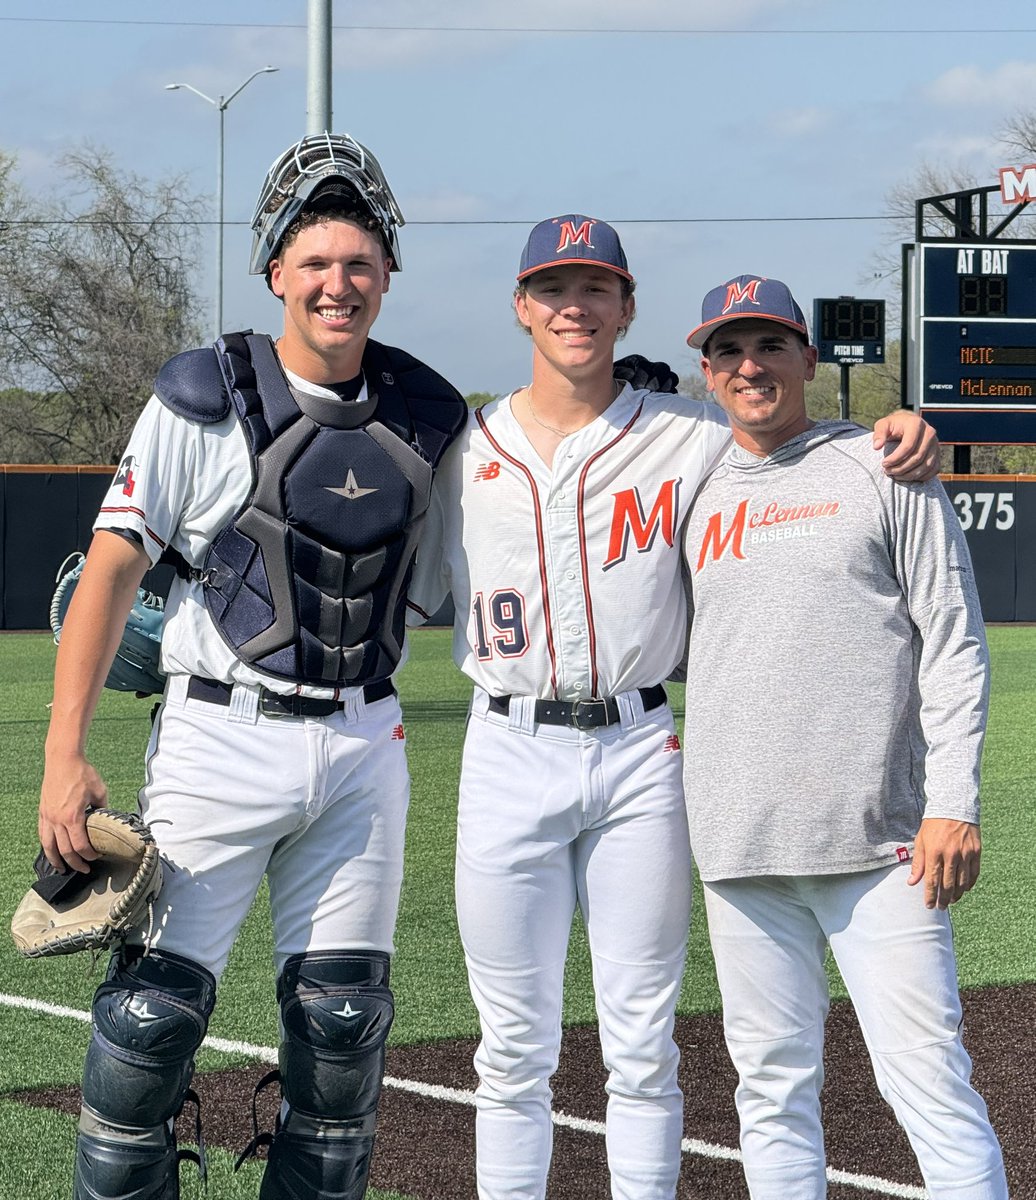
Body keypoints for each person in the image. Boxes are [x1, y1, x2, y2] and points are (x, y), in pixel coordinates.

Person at [406, 218, 939, 1200]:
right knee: (510, 1046)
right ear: (521, 306)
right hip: (505, 749)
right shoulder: (460, 450)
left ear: (626, 307)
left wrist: (897, 426)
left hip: (639, 749)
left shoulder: (688, 434)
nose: (574, 307)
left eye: (594, 287)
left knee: (643, 1043)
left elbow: (794, 436)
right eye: (553, 288)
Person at [37, 132, 467, 1200]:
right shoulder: (204, 394)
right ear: (276, 271)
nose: (337, 284)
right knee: (148, 1028)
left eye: (358, 263)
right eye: (314, 262)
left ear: (387, 274)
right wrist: (63, 754)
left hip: (363, 744)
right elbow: (110, 569)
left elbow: (467, 571)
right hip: (218, 737)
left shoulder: (431, 416)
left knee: (343, 1031)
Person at [681, 275, 1009, 1199]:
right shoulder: (693, 486)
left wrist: (954, 803)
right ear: (707, 373)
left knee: (930, 1090)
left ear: (808, 359)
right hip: (740, 848)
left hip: (883, 846)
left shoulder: (883, 465)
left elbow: (954, 642)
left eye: (770, 346)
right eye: (729, 351)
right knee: (771, 1096)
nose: (751, 367)